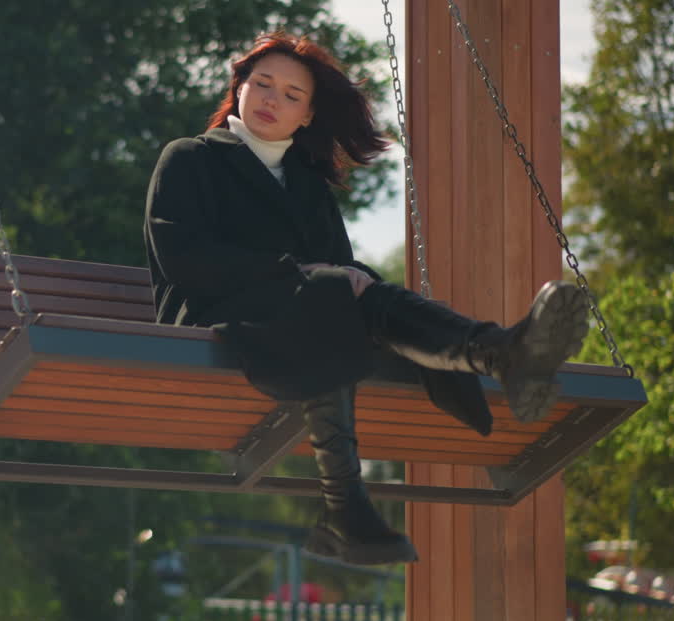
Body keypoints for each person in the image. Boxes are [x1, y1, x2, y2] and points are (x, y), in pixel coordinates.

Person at [143, 31, 589, 566]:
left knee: (362, 288)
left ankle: (499, 352)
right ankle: (345, 504)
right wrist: (298, 273)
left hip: (301, 324)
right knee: (336, 291)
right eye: (262, 85)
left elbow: (341, 271)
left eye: (291, 95)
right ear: (238, 88)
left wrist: (343, 282)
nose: (271, 100)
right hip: (211, 319)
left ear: (307, 116)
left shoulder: (307, 185)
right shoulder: (191, 158)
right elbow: (182, 257)